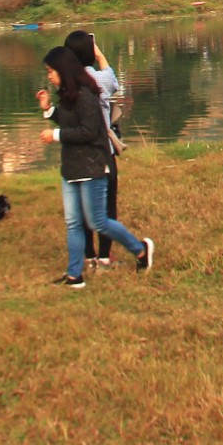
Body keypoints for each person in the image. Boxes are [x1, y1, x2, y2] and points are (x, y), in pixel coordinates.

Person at [36, 45, 152, 288]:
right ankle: (74, 275)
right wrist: (49, 109)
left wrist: (55, 135)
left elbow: (89, 131)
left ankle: (140, 249)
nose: (49, 76)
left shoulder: (87, 95)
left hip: (92, 167)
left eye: (51, 71)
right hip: (72, 169)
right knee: (74, 223)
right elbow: (69, 120)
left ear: (64, 70)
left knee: (98, 221)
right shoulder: (67, 95)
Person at [63, 30, 124, 268]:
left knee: (83, 207)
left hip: (78, 154)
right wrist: (99, 55)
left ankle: (88, 256)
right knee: (106, 207)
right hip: (103, 151)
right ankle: (105, 257)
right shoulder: (100, 80)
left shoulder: (67, 84)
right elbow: (113, 81)